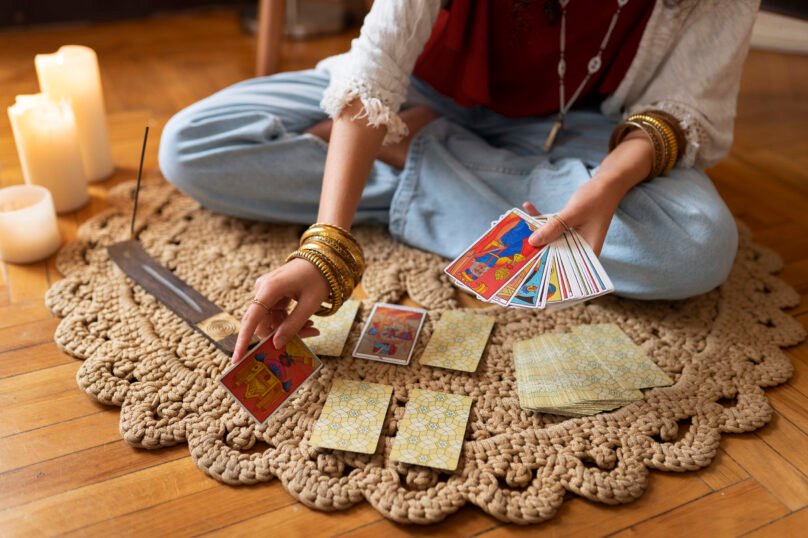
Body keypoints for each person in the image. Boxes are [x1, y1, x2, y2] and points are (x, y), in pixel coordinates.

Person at [158, 0, 759, 363]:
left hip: (581, 126)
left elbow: (682, 106)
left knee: (697, 245)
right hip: (417, 92)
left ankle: (415, 151)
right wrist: (327, 245)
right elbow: (377, 70)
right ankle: (432, 163)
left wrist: (606, 184)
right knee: (193, 145)